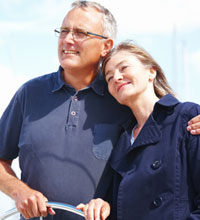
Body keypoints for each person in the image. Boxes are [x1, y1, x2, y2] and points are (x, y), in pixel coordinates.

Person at [0, 1, 199, 220]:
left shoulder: (122, 96)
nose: (67, 39)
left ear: (106, 46)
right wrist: (19, 192)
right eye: (64, 31)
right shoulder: (30, 94)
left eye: (80, 33)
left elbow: (166, 129)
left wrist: (104, 203)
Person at [77, 41, 200, 220]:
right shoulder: (122, 143)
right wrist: (102, 206)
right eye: (109, 77)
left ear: (151, 72)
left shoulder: (186, 117)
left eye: (124, 67)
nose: (117, 77)